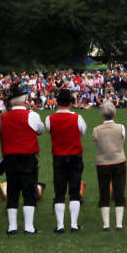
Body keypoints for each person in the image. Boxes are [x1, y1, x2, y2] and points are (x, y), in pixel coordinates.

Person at [0, 83, 45, 234]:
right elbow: (40, 130)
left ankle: (12, 227)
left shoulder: (2, 117)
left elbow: (2, 134)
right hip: (27, 157)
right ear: (24, 101)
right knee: (28, 191)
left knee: (12, 190)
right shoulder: (32, 115)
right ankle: (28, 227)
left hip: (10, 158)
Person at [46, 89, 86, 233]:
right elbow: (82, 132)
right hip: (75, 156)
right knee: (74, 190)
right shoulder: (78, 118)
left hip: (58, 157)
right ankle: (74, 225)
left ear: (57, 103)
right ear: (71, 103)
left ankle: (60, 225)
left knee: (59, 191)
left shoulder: (49, 119)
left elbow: (49, 131)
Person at [93, 101, 126, 231]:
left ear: (102, 115)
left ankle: (106, 224)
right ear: (115, 113)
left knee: (104, 191)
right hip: (119, 161)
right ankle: (119, 224)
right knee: (120, 190)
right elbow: (122, 141)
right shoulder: (121, 127)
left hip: (102, 163)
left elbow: (96, 143)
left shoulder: (96, 129)